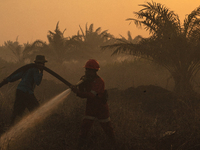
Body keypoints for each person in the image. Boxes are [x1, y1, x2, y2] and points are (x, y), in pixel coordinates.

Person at [70, 59, 115, 148]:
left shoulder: (99, 81)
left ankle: (114, 145)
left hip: (101, 108)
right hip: (90, 107)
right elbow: (82, 94)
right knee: (85, 127)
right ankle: (80, 146)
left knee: (107, 128)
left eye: (89, 70)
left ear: (95, 71)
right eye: (86, 69)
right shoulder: (84, 79)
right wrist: (79, 87)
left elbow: (91, 95)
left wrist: (77, 92)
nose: (87, 72)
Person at [2, 55, 47, 125]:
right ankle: (37, 125)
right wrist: (41, 72)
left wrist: (7, 80)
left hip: (19, 91)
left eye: (42, 64)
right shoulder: (35, 70)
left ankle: (11, 125)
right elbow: (38, 82)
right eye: (40, 63)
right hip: (27, 92)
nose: (41, 65)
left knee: (18, 110)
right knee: (36, 108)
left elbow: (17, 76)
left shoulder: (28, 68)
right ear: (37, 63)